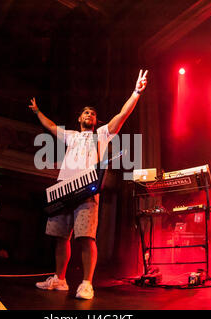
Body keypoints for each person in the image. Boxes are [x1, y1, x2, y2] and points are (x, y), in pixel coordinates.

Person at [29, 69, 148, 299]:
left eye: (92, 113)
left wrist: (136, 92)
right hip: (64, 189)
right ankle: (60, 280)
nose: (89, 114)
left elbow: (122, 115)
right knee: (61, 237)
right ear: (79, 118)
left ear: (96, 120)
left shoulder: (101, 134)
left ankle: (86, 283)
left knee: (86, 237)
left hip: (87, 190)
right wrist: (37, 112)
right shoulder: (72, 135)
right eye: (85, 112)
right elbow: (51, 126)